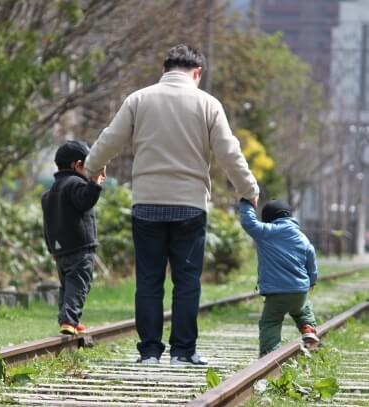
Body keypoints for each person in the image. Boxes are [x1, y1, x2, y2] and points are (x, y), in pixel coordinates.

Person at [85, 44, 259, 365]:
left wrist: (91, 167)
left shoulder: (138, 99)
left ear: (164, 69)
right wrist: (248, 189)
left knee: (149, 281)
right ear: (197, 73)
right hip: (190, 207)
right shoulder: (208, 104)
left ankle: (149, 351)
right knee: (187, 281)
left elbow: (110, 138)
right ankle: (183, 351)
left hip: (147, 205)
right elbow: (228, 153)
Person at [239, 199, 320, 357]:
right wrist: (312, 280)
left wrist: (246, 202)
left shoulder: (266, 232)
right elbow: (311, 258)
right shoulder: (302, 237)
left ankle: (270, 354)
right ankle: (308, 328)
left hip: (276, 292)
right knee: (303, 308)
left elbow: (249, 222)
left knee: (271, 322)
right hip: (299, 290)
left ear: (268, 218)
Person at [42, 140, 106, 335]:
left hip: (60, 251)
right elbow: (85, 201)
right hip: (80, 248)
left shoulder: (50, 192)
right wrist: (94, 183)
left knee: (67, 286)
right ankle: (69, 319)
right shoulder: (76, 184)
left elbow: (47, 224)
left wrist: (51, 248)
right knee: (79, 285)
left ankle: (68, 319)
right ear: (77, 165)